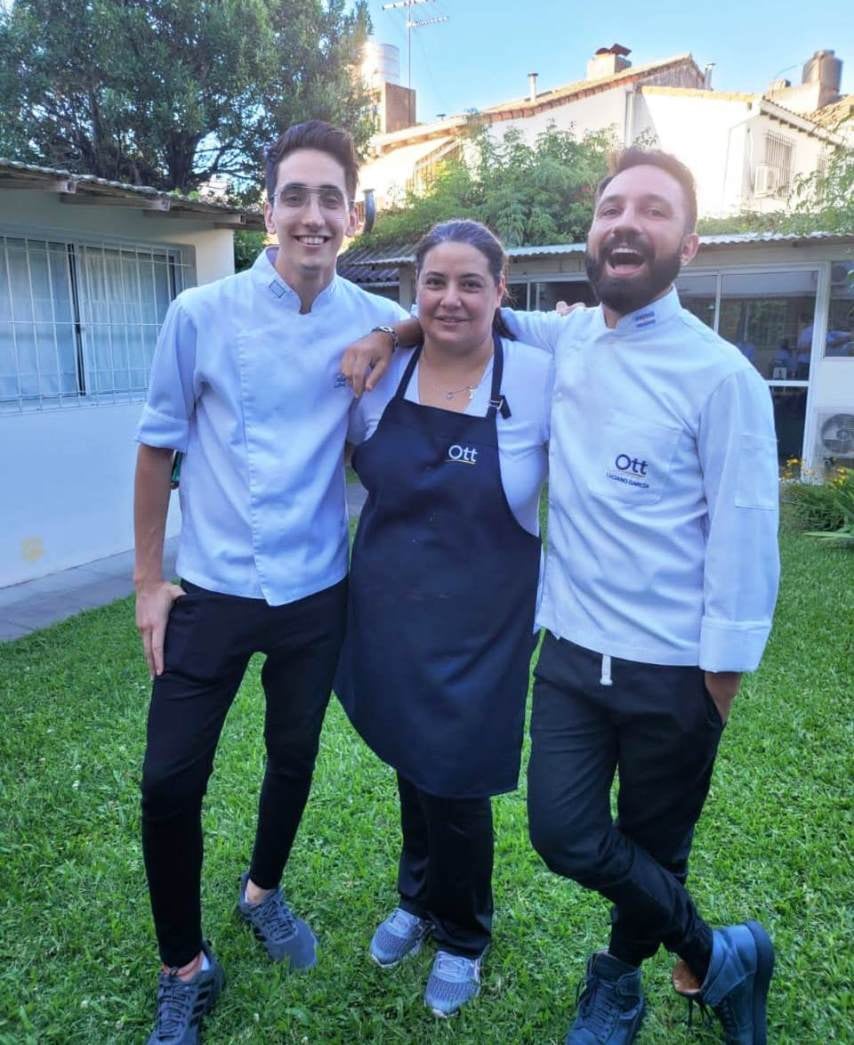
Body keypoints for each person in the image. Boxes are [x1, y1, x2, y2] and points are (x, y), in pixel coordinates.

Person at [342, 149, 780, 1044]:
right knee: (565, 834)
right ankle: (726, 951)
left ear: (688, 244)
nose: (626, 222)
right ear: (590, 235)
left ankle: (618, 984)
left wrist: (720, 682)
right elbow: (454, 312)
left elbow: (745, 538)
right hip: (574, 652)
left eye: (652, 210)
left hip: (674, 665)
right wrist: (389, 334)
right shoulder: (565, 339)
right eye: (612, 207)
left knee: (656, 845)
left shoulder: (721, 376)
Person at [133, 119, 407, 1045]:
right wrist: (145, 581)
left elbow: (437, 343)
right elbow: (156, 445)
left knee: (293, 758)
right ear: (267, 209)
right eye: (296, 194)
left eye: (331, 197)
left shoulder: (368, 325)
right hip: (210, 589)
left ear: (354, 217)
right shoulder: (201, 315)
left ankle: (262, 892)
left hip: (315, 592)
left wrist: (403, 327)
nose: (313, 215)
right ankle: (184, 964)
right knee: (168, 781)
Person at [337, 219, 552, 1018]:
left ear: (502, 293)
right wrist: (387, 331)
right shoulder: (382, 374)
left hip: (482, 621)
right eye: (434, 283)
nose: (450, 299)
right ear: (412, 291)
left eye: (471, 283)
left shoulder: (536, 373)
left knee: (456, 779)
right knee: (411, 759)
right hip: (391, 612)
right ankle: (417, 896)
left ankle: (464, 932)